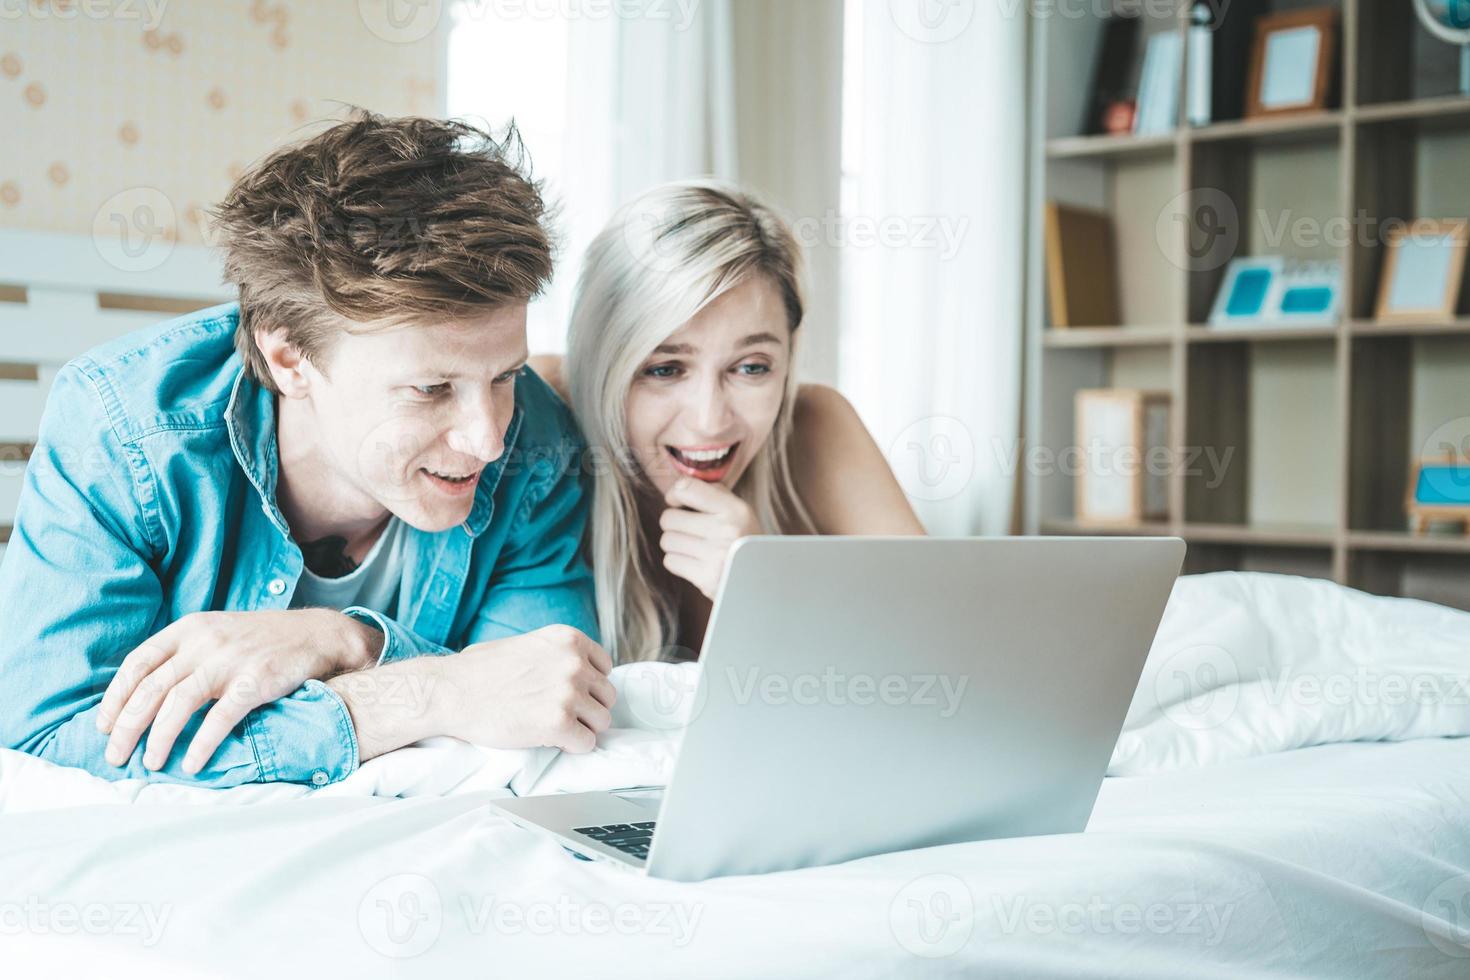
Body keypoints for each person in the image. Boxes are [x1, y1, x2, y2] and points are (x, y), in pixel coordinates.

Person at [0, 111, 616, 787]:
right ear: (290, 357)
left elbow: (537, 696)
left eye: (504, 376)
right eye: (432, 388)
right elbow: (47, 737)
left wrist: (339, 639)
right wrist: (412, 695)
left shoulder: (539, 440)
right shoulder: (122, 430)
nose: (489, 438)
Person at [531, 179, 924, 663]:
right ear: (600, 362)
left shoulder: (815, 427)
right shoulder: (536, 411)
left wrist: (770, 592)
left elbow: (941, 651)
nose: (710, 422)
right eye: (664, 369)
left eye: (751, 367)